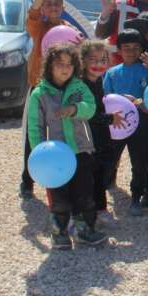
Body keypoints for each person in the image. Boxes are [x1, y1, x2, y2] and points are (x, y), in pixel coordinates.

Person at [26, 44, 106, 249]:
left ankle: (85, 230)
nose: (65, 69)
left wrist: (74, 109)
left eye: (70, 65)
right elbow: (35, 126)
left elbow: (91, 108)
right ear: (49, 67)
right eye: (60, 64)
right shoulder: (39, 93)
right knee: (59, 196)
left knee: (85, 193)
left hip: (80, 150)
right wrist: (39, 154)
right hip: (54, 157)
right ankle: (59, 232)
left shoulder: (79, 87)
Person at [20, 0, 80, 199]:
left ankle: (61, 173)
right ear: (44, 8)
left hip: (62, 89)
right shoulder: (39, 27)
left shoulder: (69, 29)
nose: (53, 7)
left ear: (62, 7)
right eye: (49, 4)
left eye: (57, 3)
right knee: (33, 134)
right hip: (39, 87)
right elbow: (32, 13)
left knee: (62, 133)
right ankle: (27, 180)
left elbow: (78, 54)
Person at [102, 29, 148, 216]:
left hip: (141, 123)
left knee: (139, 161)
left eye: (136, 48)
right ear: (119, 50)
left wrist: (137, 100)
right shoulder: (112, 73)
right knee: (109, 159)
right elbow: (104, 97)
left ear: (142, 49)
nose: (131, 51)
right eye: (126, 47)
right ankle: (98, 198)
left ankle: (137, 197)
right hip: (116, 123)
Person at [80, 40, 125, 224]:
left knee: (102, 173)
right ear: (82, 61)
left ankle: (100, 209)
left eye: (103, 60)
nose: (98, 65)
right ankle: (90, 213)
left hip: (101, 137)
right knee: (90, 176)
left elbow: (101, 103)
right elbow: (88, 114)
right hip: (87, 138)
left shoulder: (98, 80)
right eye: (93, 60)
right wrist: (109, 118)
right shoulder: (81, 84)